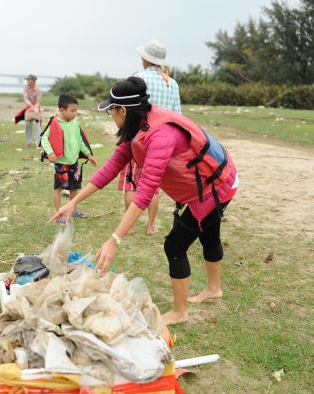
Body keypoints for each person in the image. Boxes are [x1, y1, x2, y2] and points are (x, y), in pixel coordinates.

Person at [50, 77, 238, 325]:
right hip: (209, 185)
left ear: (123, 110)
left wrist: (114, 239)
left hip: (215, 188)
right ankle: (214, 289)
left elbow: (145, 192)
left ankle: (180, 312)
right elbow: (112, 166)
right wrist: (74, 202)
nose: (111, 115)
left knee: (175, 246)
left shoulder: (159, 136)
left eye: (111, 110)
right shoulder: (140, 125)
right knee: (209, 236)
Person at [117, 40, 181, 235]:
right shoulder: (172, 83)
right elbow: (178, 115)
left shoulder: (139, 78)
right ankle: (150, 226)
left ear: (145, 59)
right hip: (162, 143)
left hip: (139, 138)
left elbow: (130, 110)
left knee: (131, 183)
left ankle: (131, 226)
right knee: (153, 187)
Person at [40, 93, 98, 224]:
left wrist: (89, 155)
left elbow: (81, 142)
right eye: (72, 111)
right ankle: (59, 212)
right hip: (61, 162)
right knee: (58, 188)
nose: (75, 113)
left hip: (74, 162)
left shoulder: (74, 124)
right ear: (62, 110)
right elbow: (44, 138)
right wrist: (50, 152)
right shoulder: (54, 123)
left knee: (74, 187)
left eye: (76, 110)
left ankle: (73, 209)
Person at [23, 74, 42, 147]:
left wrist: (34, 108)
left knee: (37, 126)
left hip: (36, 108)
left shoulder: (39, 90)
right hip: (28, 108)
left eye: (28, 79)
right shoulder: (25, 88)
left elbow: (38, 101)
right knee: (28, 125)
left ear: (33, 80)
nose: (27, 81)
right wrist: (31, 106)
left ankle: (38, 143)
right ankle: (29, 141)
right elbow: (26, 98)